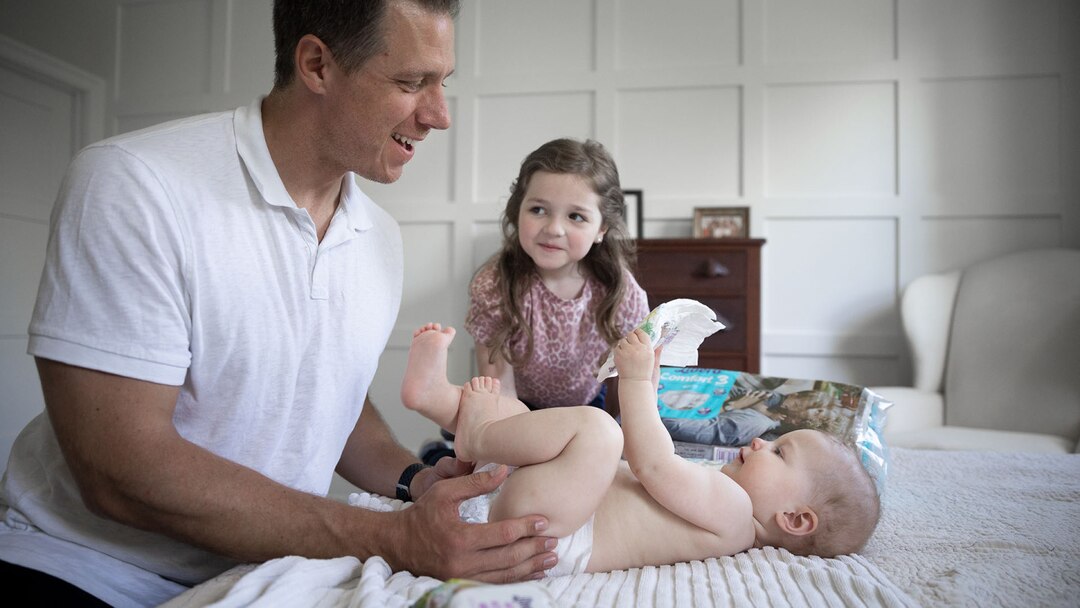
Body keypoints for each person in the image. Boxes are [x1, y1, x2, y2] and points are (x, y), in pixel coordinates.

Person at [0, 1, 557, 605]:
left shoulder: (380, 240)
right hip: (80, 566)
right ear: (317, 64)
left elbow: (327, 396)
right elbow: (121, 471)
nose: (439, 115)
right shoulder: (134, 185)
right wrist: (395, 537)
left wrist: (414, 480)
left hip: (264, 572)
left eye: (442, 83)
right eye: (410, 82)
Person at [402, 323, 882, 575]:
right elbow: (648, 449)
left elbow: (652, 463)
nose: (759, 442)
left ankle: (475, 436)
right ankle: (437, 399)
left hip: (554, 535)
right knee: (525, 420)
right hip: (555, 504)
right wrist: (647, 385)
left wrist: (631, 380)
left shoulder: (736, 515)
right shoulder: (721, 498)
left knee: (597, 430)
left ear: (794, 519)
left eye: (778, 453)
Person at [465, 137, 650, 411]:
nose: (553, 228)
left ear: (602, 229)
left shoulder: (619, 291)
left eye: (575, 216)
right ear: (517, 212)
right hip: (516, 406)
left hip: (587, 408)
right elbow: (497, 389)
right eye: (538, 210)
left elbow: (642, 381)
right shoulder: (495, 285)